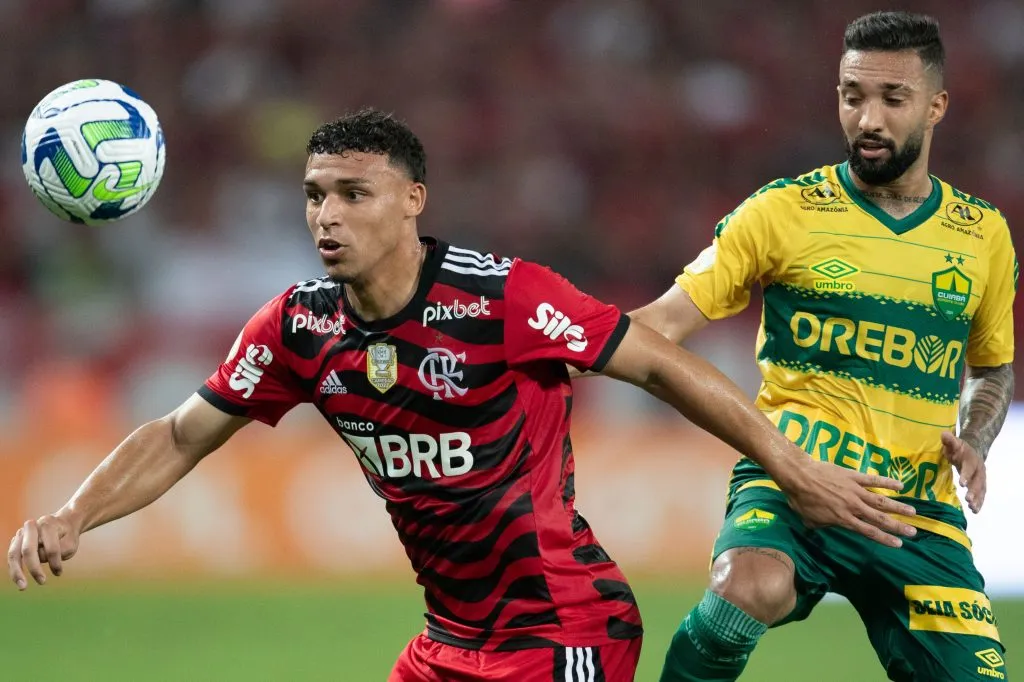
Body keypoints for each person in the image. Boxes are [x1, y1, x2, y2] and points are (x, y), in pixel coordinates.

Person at [7, 109, 915, 682]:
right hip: (448, 644)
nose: (326, 215)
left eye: (353, 194)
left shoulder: (505, 297)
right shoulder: (299, 326)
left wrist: (791, 470)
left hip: (568, 632)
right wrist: (76, 513)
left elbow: (661, 364)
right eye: (315, 194)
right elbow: (179, 434)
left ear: (412, 201)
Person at [625, 12, 1015, 682]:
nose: (868, 119)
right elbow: (661, 324)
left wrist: (975, 438)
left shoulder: (983, 234)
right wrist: (551, 333)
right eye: (851, 95)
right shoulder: (781, 211)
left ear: (936, 106)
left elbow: (992, 369)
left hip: (917, 513)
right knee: (743, 588)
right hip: (794, 484)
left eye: (893, 99)